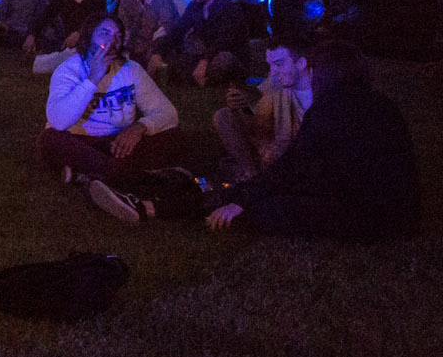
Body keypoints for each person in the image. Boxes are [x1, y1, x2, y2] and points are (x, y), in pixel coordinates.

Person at [93, 40, 419, 241]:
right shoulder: (377, 103)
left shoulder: (332, 108)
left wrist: (243, 201)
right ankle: (154, 198)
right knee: (248, 188)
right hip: (386, 208)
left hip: (372, 216)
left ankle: (152, 207)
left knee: (267, 208)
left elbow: (292, 167)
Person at [37, 16, 183, 184]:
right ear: (89, 36)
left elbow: (168, 112)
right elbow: (59, 121)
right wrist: (92, 80)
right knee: (50, 140)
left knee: (175, 137)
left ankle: (88, 174)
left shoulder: (131, 70)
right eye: (105, 33)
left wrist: (140, 127)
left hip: (118, 142)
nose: (112, 41)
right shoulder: (69, 71)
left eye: (118, 36)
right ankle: (127, 176)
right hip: (80, 140)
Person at [213, 37, 311, 183]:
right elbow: (259, 126)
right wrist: (241, 109)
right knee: (223, 116)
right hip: (275, 146)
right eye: (270, 65)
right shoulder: (276, 82)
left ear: (301, 63)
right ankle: (252, 176)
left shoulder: (319, 89)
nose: (272, 72)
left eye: (278, 64)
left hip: (298, 154)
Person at [150, 0, 250, 86]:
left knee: (224, 59)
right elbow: (178, 31)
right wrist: (158, 53)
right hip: (203, 55)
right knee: (168, 51)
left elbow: (224, 41)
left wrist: (204, 60)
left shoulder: (229, 8)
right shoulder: (195, 7)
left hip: (226, 56)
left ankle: (210, 83)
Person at [31, 0, 108, 64]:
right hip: (65, 42)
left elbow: (99, 23)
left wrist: (80, 33)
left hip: (88, 42)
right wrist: (32, 35)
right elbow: (45, 16)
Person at [113, 0, 179, 64]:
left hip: (158, 50)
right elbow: (124, 28)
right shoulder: (126, 2)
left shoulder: (163, 2)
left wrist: (146, 48)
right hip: (133, 49)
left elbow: (165, 33)